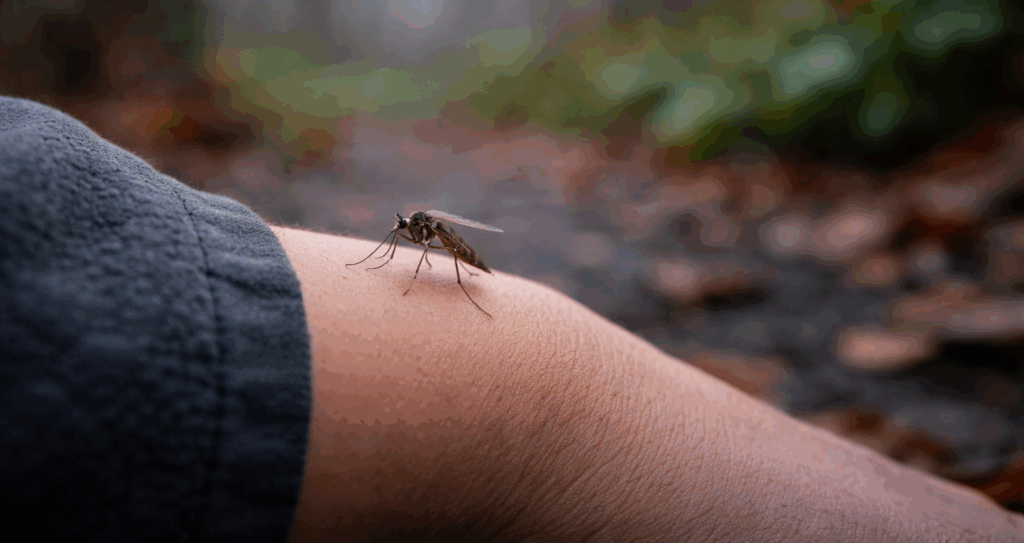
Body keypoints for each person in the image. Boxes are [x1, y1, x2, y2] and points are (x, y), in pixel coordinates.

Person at [3, 95, 1022, 542]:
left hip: (482, 294)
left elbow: (432, 248)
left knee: (442, 269)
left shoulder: (442, 238)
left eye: (409, 228)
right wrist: (535, 391)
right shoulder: (413, 238)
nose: (403, 232)